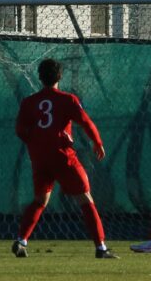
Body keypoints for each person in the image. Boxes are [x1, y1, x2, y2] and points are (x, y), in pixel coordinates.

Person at [13, 58, 118, 259]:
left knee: (40, 200)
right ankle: (101, 248)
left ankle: (21, 240)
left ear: (40, 77)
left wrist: (36, 141)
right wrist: (97, 142)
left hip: (39, 158)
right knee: (86, 199)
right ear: (60, 76)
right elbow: (86, 122)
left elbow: (20, 130)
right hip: (63, 157)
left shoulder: (29, 102)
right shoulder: (67, 99)